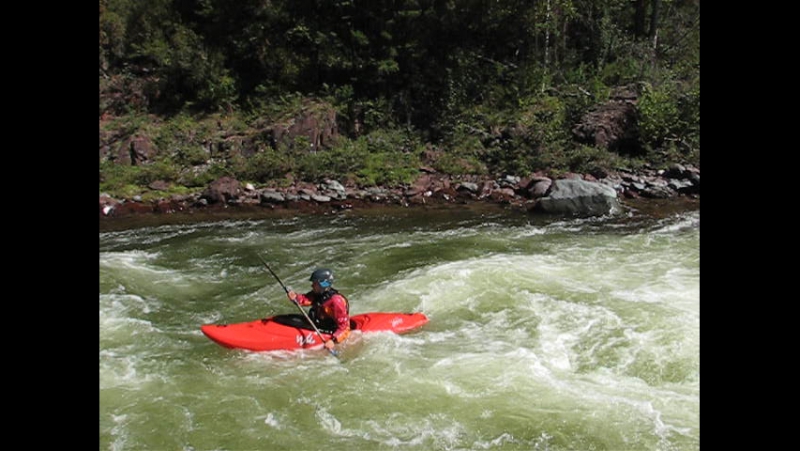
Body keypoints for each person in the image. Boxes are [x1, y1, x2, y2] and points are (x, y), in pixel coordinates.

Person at [287, 268, 350, 351]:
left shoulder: (336, 301)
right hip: (318, 324)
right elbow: (305, 299)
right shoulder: (317, 294)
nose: (312, 285)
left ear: (323, 284)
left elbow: (344, 328)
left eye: (315, 283)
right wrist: (295, 297)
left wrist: (333, 340)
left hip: (329, 330)